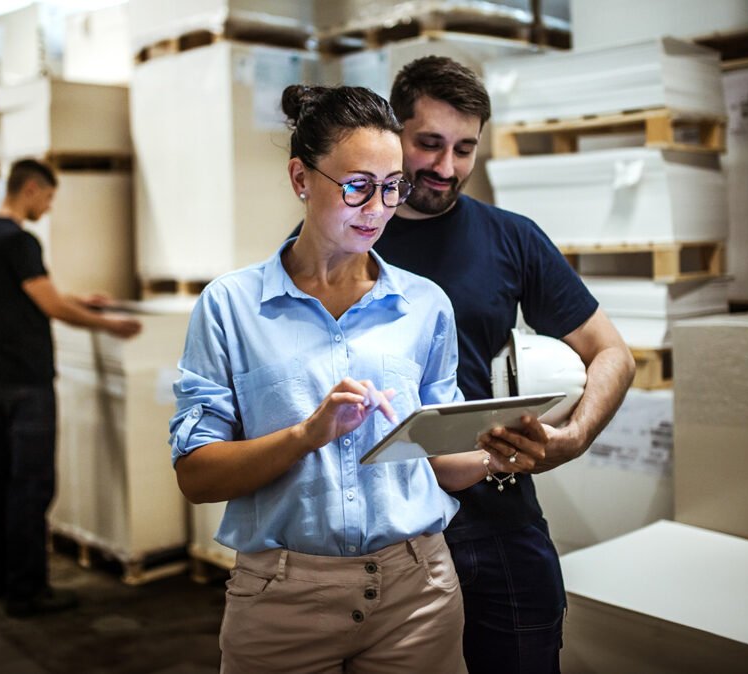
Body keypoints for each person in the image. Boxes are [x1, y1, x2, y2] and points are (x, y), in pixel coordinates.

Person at [170, 85, 534, 673]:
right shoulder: (230, 307)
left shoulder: (426, 306)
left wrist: (501, 454)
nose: (378, 208)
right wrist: (306, 434)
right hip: (282, 602)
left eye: (393, 187)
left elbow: (439, 461)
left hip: (418, 592)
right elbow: (196, 476)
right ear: (301, 178)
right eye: (358, 186)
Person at [302, 57, 636, 672]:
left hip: (497, 520)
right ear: (392, 132)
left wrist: (574, 437)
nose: (445, 167)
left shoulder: (511, 237)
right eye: (428, 143)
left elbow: (611, 351)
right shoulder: (344, 238)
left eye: (464, 149)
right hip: (384, 532)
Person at [0, 158, 142, 618]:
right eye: (47, 197)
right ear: (30, 189)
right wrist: (109, 325)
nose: (47, 207)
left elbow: (27, 294)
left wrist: (79, 299)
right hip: (28, 380)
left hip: (0, 377)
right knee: (33, 484)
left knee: (0, 480)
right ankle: (28, 591)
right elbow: (49, 306)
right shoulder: (20, 240)